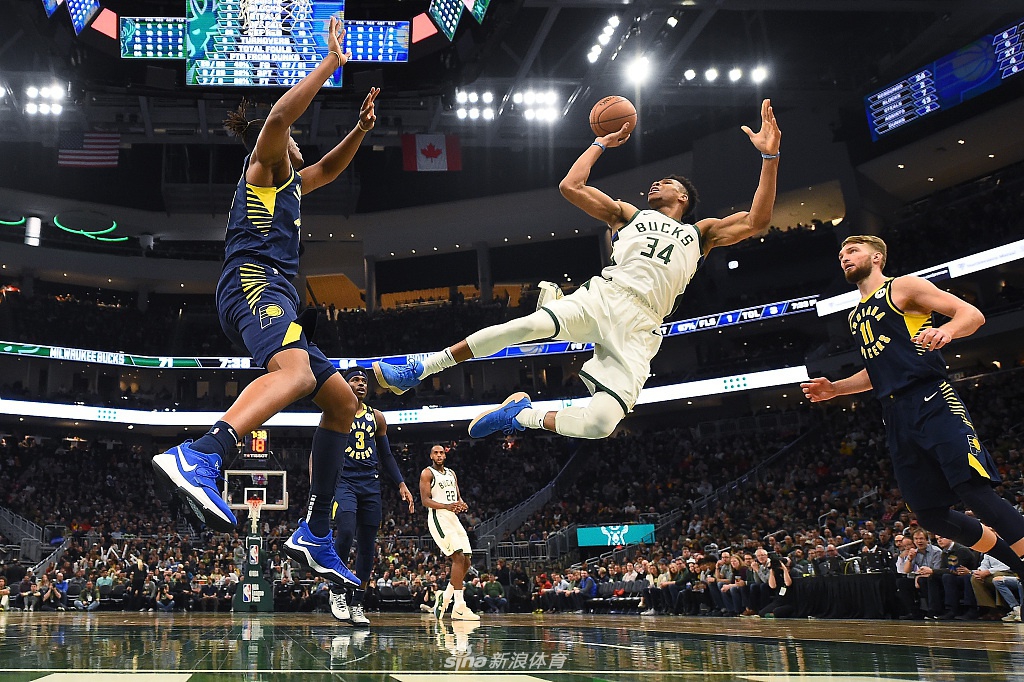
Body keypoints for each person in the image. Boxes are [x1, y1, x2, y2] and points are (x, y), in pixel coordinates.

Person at [373, 100, 781, 439]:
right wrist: (600, 142)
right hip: (606, 296)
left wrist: (769, 156)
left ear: (684, 196)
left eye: (666, 182)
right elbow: (571, 187)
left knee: (601, 425)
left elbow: (757, 221)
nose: (656, 184)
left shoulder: (701, 232)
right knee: (522, 329)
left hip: (642, 326)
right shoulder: (629, 214)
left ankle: (522, 415)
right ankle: (420, 367)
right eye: (655, 181)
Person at [151, 17, 378, 588]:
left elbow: (326, 168)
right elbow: (278, 119)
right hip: (253, 283)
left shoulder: (295, 183)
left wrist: (359, 130)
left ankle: (316, 533)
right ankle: (202, 452)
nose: (299, 147)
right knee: (297, 373)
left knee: (343, 404)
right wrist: (331, 63)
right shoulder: (262, 169)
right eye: (293, 143)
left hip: (273, 292)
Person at [801, 235, 1024, 584]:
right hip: (896, 415)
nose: (844, 257)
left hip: (932, 399)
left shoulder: (903, 287)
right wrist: (835, 389)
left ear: (877, 258)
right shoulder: (855, 316)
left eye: (853, 251)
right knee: (930, 514)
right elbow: (875, 371)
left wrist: (946, 331)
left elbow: (972, 314)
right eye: (841, 254)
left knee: (973, 490)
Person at [328, 367, 415, 627]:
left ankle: (357, 602)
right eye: (355, 380)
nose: (361, 384)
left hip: (370, 484)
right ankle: (337, 590)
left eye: (364, 381)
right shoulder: (336, 412)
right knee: (344, 532)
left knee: (368, 546)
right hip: (344, 482)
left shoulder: (377, 417)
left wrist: (401, 483)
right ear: (345, 385)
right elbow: (321, 448)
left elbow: (386, 455)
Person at [420, 445, 479, 621]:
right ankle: (459, 606)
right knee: (458, 557)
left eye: (441, 453)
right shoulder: (427, 473)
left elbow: (457, 496)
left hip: (453, 517)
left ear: (445, 455)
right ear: (431, 455)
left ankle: (445, 597)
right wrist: (447, 506)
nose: (439, 455)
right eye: (436, 453)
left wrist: (461, 504)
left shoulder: (452, 473)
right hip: (439, 517)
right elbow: (425, 500)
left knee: (467, 561)